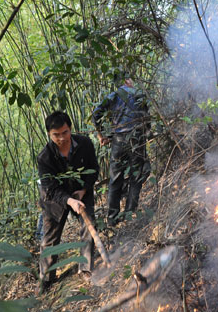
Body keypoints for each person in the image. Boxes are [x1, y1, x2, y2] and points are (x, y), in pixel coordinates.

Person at [37, 111, 99, 293]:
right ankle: (46, 279)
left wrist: (84, 190)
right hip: (54, 198)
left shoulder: (85, 144)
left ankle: (85, 268)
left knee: (89, 227)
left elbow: (94, 169)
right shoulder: (44, 157)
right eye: (56, 135)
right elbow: (51, 188)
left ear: (70, 129)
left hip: (81, 189)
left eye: (65, 132)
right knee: (50, 239)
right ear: (49, 134)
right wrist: (69, 201)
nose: (61, 138)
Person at [92, 73, 150, 226]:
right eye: (132, 79)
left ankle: (112, 219)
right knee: (136, 177)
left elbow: (95, 114)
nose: (134, 82)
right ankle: (130, 214)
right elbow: (147, 121)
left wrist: (101, 136)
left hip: (118, 141)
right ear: (127, 81)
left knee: (115, 178)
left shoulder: (113, 96)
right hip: (137, 140)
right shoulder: (140, 95)